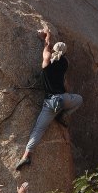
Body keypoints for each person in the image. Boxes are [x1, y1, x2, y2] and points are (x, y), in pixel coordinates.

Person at [16, 25, 83, 170]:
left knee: (38, 130)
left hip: (50, 103)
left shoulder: (46, 63)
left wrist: (47, 35)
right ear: (64, 53)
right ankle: (63, 115)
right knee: (79, 99)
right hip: (64, 99)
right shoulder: (65, 63)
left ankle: (26, 156)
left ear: (53, 51)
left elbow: (47, 47)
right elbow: (56, 52)